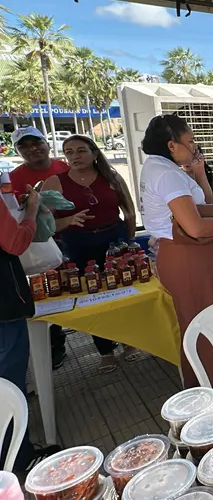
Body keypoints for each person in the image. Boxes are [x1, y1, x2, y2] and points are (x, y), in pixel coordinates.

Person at [139, 114, 213, 398]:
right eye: (190, 141)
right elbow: (195, 227)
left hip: (187, 255)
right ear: (172, 145)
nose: (194, 147)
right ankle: (212, 396)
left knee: (200, 324)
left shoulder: (161, 168)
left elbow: (203, 204)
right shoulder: (167, 174)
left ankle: (206, 391)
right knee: (204, 327)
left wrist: (199, 173)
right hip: (187, 257)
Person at [41, 135, 142, 373]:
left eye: (81, 151)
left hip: (114, 241)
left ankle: (129, 342)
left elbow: (129, 211)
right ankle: (105, 351)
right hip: (79, 245)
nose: (74, 156)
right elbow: (42, 224)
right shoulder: (55, 182)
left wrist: (129, 243)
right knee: (92, 297)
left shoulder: (111, 177)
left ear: (94, 153)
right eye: (69, 152)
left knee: (122, 294)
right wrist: (68, 220)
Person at [0, 185, 62, 473]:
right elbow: (14, 242)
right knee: (9, 382)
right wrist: (32, 211)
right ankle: (17, 459)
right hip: (3, 304)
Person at [8, 126, 68, 369]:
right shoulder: (12, 179)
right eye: (24, 146)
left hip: (71, 236)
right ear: (18, 151)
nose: (32, 149)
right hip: (39, 247)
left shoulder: (65, 168)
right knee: (47, 296)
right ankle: (54, 346)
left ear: (46, 143)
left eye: (36, 143)